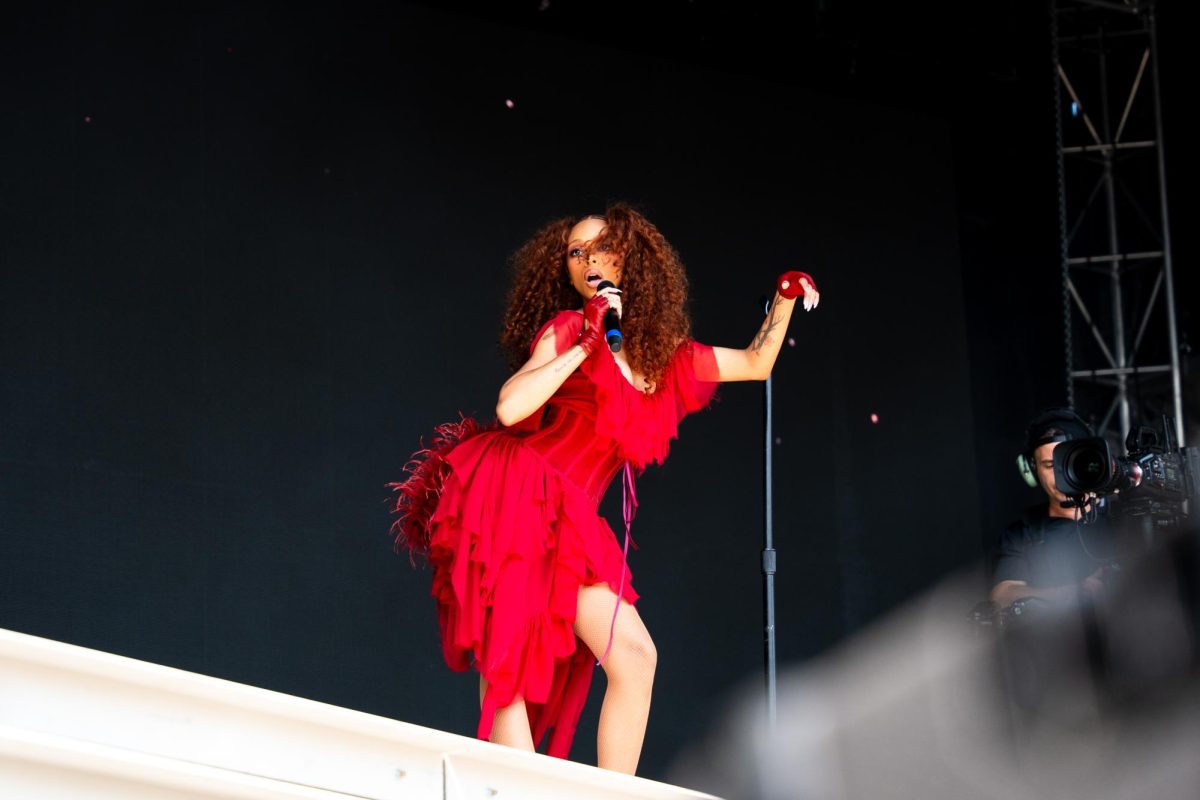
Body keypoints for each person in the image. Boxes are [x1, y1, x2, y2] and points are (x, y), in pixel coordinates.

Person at [390, 203, 819, 774]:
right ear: (567, 273)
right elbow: (511, 406)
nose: (589, 258)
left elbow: (756, 362)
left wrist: (786, 297)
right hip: (516, 493)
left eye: (602, 246)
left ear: (630, 260)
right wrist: (585, 345)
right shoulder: (567, 329)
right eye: (575, 251)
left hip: (571, 521)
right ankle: (521, 792)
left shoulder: (666, 359)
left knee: (636, 657)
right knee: (509, 664)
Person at [990, 407, 1113, 609]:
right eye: (1049, 465)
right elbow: (1003, 595)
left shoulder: (1123, 520)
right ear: (1032, 470)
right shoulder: (1021, 534)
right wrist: (1076, 591)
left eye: (1068, 463)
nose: (1060, 476)